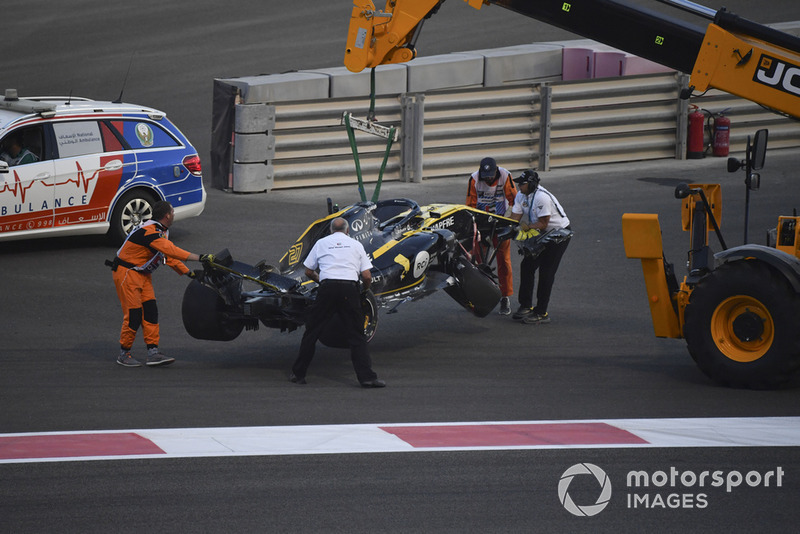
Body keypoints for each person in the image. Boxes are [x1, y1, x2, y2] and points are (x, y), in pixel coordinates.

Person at [109, 200, 211, 367]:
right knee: (133, 315)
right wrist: (200, 257)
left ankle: (153, 353)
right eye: (172, 212)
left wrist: (189, 273)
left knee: (150, 311)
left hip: (142, 274)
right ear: (167, 216)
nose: (173, 215)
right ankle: (124, 353)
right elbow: (172, 251)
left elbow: (167, 257)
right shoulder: (151, 232)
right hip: (127, 274)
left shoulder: (160, 231)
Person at [291, 217, 385, 388]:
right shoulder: (356, 245)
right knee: (356, 334)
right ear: (348, 231)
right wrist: (364, 290)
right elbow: (367, 276)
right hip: (349, 289)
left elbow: (308, 271)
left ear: (331, 230)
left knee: (312, 331)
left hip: (327, 288)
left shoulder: (321, 243)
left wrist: (321, 280)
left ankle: (299, 374)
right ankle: (367, 378)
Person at [509, 170, 571, 324]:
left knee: (546, 272)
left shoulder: (542, 197)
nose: (519, 186)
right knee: (527, 266)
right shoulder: (520, 195)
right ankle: (526, 305)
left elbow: (543, 223)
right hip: (540, 233)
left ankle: (541, 312)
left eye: (522, 184)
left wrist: (524, 229)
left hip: (558, 234)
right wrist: (504, 228)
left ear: (531, 184)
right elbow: (514, 219)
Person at [466, 157, 517, 315]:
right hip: (482, 223)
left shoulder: (505, 175)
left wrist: (509, 218)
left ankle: (505, 297)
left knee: (504, 261)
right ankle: (480, 296)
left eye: (490, 175)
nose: (488, 178)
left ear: (496, 171)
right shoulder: (474, 179)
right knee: (477, 262)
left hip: (501, 222)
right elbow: (470, 205)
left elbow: (515, 200)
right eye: (485, 174)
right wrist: (473, 226)